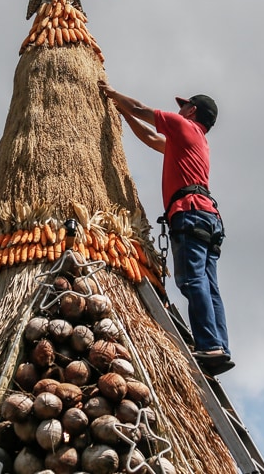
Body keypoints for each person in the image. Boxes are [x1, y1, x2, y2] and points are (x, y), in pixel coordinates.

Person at [97, 80, 233, 375]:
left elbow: (141, 109)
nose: (178, 109)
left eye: (182, 105)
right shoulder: (193, 140)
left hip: (191, 213)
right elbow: (148, 137)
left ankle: (209, 345)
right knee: (209, 286)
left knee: (191, 280)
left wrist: (110, 93)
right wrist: (123, 113)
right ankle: (219, 346)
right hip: (207, 216)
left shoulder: (183, 126)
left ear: (191, 110)